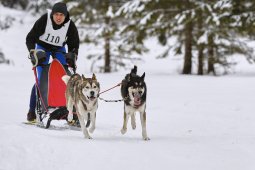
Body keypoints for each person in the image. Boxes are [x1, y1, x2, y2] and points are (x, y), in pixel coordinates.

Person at [26, 2, 79, 121]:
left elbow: (74, 44)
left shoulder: (70, 25)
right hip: (42, 48)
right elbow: (30, 38)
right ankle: (32, 110)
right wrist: (33, 53)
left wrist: (72, 55)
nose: (59, 17)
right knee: (41, 79)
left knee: (66, 78)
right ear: (52, 15)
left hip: (59, 49)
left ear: (65, 16)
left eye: (61, 15)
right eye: (56, 14)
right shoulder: (44, 20)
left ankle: (69, 110)